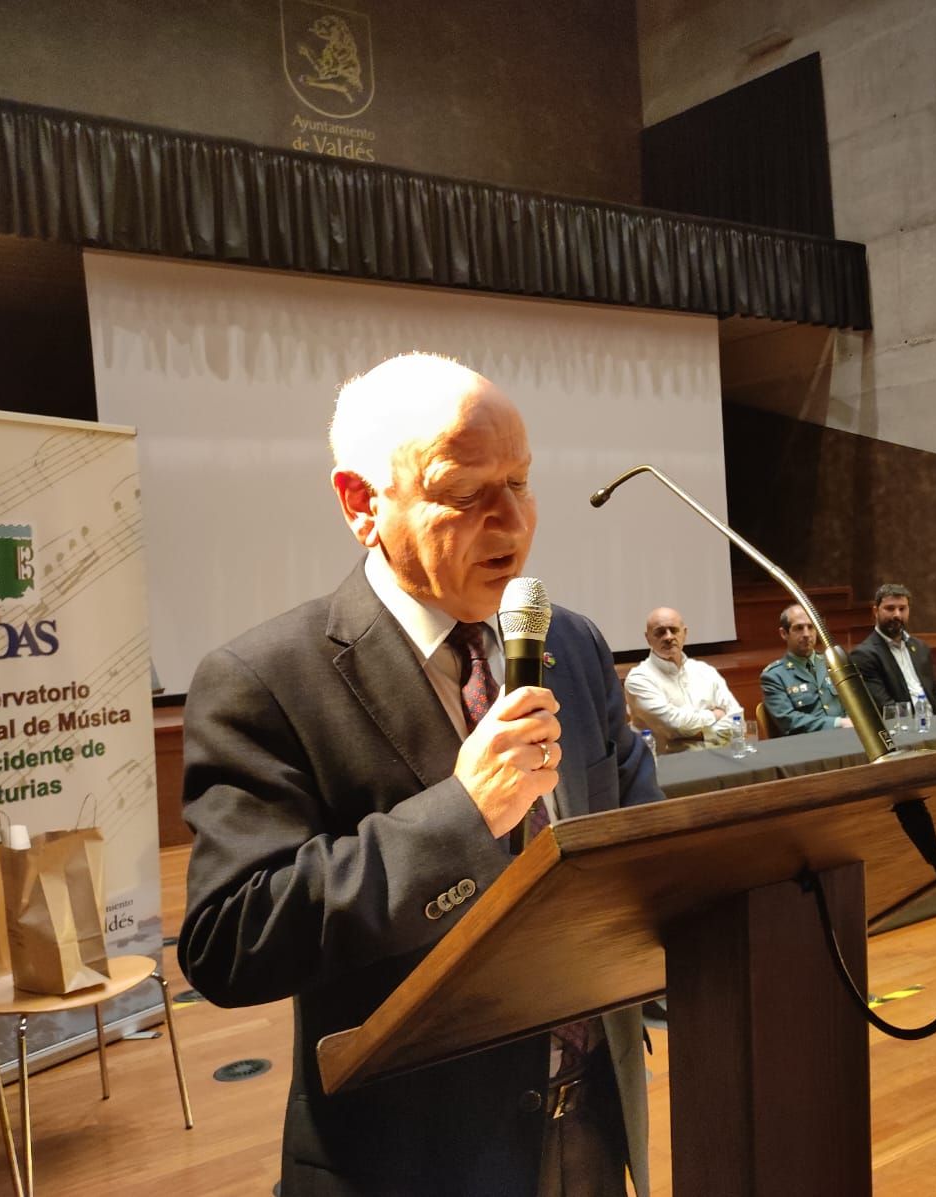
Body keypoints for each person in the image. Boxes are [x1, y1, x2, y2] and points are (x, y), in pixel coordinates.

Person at [178, 353, 660, 1197]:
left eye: (521, 481)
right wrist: (462, 815)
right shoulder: (265, 679)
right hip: (413, 1162)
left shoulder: (571, 644)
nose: (512, 523)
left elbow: (636, 847)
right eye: (467, 492)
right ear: (363, 504)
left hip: (594, 1122)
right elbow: (230, 940)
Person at [623, 606, 741, 751]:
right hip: (667, 765)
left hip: (718, 757)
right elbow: (674, 726)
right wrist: (714, 715)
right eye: (660, 632)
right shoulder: (638, 679)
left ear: (684, 633)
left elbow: (737, 718)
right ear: (648, 638)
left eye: (674, 630)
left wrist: (701, 734)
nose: (668, 637)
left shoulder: (705, 671)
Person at [760, 603, 854, 735]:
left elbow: (854, 702)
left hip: (847, 736)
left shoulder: (834, 663)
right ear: (784, 633)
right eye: (798, 628)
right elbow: (789, 721)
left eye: (811, 627)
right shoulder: (774, 676)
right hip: (807, 746)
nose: (806, 634)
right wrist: (838, 723)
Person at [849, 583, 936, 711]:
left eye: (902, 608)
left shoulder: (920, 647)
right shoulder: (864, 655)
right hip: (904, 725)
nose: (897, 615)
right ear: (875, 611)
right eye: (890, 608)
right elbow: (885, 706)